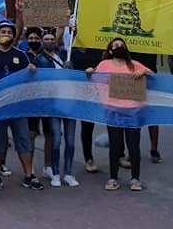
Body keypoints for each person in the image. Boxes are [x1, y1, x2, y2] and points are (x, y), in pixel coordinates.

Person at [0, 20, 42, 191]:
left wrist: (31, 71)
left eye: (9, 32)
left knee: (23, 140)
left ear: (13, 36)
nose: (6, 35)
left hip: (17, 107)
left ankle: (29, 175)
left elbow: (29, 80)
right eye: (3, 32)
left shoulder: (21, 55)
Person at [86, 37, 152, 191]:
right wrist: (89, 72)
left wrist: (143, 71)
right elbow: (94, 79)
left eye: (122, 45)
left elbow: (153, 75)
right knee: (115, 146)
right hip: (113, 110)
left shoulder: (134, 64)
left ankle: (135, 179)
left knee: (133, 146)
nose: (119, 47)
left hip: (133, 111)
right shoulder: (104, 64)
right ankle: (113, 178)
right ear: (110, 50)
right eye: (116, 45)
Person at [34, 29, 78, 187]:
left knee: (71, 142)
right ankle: (56, 173)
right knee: (56, 141)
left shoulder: (67, 55)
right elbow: (39, 80)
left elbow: (76, 76)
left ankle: (69, 173)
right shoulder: (39, 59)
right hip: (53, 105)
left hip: (70, 102)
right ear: (42, 41)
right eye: (46, 39)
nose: (50, 41)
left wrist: (70, 67)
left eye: (52, 38)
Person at [67, 39, 103, 174]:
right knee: (71, 128)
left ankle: (90, 158)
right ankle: (80, 160)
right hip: (74, 93)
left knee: (89, 126)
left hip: (93, 94)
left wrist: (95, 70)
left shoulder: (98, 51)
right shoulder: (71, 51)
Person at [23, 26, 54, 182]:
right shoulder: (23, 56)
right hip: (31, 102)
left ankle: (48, 167)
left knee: (49, 134)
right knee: (32, 134)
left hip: (47, 100)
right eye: (31, 38)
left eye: (36, 38)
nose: (34, 41)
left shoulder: (48, 55)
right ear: (26, 40)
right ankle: (30, 168)